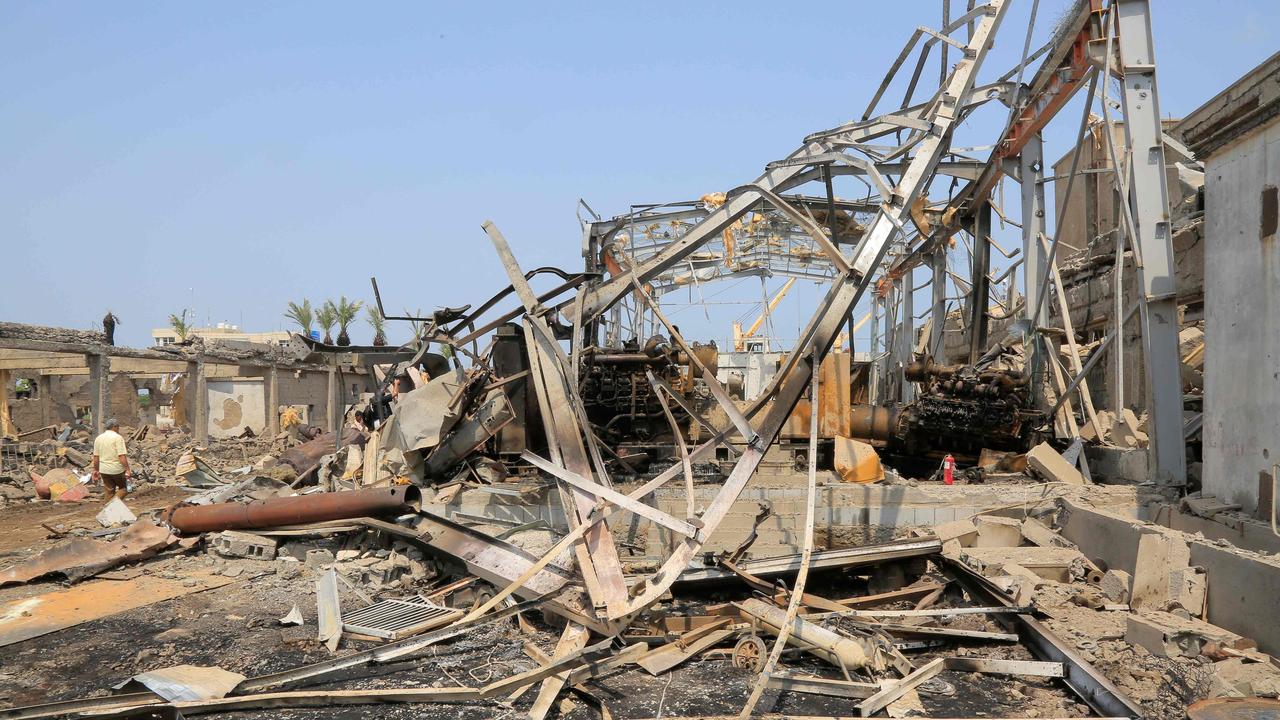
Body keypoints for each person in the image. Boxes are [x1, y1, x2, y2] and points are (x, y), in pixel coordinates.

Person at [92, 418, 132, 501]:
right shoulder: (118, 438)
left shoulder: (98, 438)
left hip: (103, 470)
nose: (118, 429)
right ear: (114, 427)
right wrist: (127, 469)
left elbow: (96, 457)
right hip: (116, 469)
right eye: (118, 427)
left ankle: (108, 511)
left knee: (109, 491)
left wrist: (96, 470)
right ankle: (111, 506)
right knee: (125, 488)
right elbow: (121, 456)